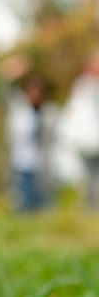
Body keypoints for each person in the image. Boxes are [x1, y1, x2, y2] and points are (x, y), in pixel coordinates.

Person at [5, 74, 54, 212]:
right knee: (23, 202)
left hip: (42, 166)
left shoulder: (47, 112)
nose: (35, 94)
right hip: (21, 163)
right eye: (31, 90)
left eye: (38, 91)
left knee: (41, 204)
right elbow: (5, 92)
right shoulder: (19, 110)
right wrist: (11, 74)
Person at [62, 53, 99, 208]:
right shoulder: (81, 89)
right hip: (86, 140)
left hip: (92, 139)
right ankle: (91, 207)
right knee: (89, 177)